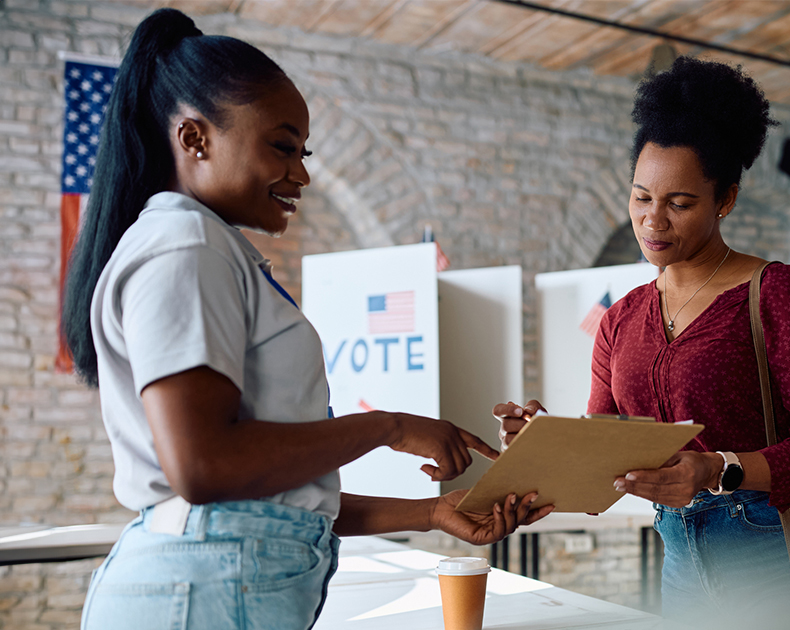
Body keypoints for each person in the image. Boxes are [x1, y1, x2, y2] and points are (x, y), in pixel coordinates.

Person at [62, 10, 550, 629]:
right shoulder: (187, 246)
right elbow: (205, 466)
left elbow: (272, 498)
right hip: (201, 594)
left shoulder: (203, 247)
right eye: (282, 147)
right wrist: (387, 426)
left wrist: (431, 514)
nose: (301, 173)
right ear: (194, 138)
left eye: (303, 152)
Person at [494, 57, 790, 625]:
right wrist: (549, 441)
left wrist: (719, 469)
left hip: (779, 548)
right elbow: (611, 445)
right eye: (641, 198)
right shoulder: (620, 320)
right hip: (681, 554)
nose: (652, 221)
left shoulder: (776, 294)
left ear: (726, 199)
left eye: (679, 203)